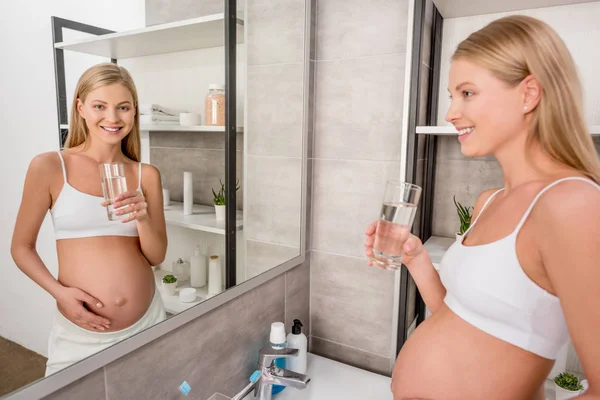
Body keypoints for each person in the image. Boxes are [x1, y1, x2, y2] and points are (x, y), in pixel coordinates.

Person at [365, 15, 600, 400]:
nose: (450, 113)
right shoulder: (488, 202)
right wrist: (416, 258)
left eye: (467, 93)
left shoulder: (570, 204)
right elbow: (459, 317)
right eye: (450, 96)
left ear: (529, 94)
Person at [11, 63, 168, 376]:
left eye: (123, 107)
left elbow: (156, 256)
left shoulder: (145, 175)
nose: (112, 118)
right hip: (80, 329)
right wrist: (61, 294)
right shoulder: (50, 167)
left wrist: (143, 217)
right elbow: (21, 247)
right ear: (81, 108)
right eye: (100, 106)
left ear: (134, 111)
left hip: (148, 322)